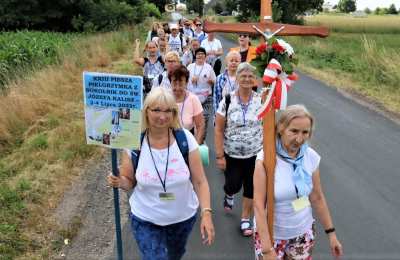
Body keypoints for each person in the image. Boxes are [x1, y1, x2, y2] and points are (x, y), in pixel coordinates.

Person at [107, 87, 215, 260]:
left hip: (182, 219)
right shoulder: (134, 142)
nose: (162, 116)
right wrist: (120, 182)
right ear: (146, 111)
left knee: (174, 255)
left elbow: (200, 181)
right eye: (156, 110)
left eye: (168, 111)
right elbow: (129, 181)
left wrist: (206, 213)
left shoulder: (185, 139)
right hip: (145, 219)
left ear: (174, 114)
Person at [253, 105, 343, 259]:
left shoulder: (310, 157)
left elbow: (316, 197)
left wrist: (331, 234)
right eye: (294, 131)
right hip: (272, 236)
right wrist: (267, 249)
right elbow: (258, 206)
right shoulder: (266, 160)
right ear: (281, 128)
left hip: (303, 233)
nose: (299, 139)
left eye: (305, 132)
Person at [214, 62, 262, 237]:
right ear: (238, 79)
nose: (247, 79)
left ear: (255, 80)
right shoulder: (227, 100)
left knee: (251, 187)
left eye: (250, 76)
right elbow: (219, 129)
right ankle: (229, 194)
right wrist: (220, 156)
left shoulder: (261, 100)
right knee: (233, 184)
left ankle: (245, 219)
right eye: (243, 76)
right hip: (231, 154)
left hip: (255, 154)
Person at [170, 65, 205, 144]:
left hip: (188, 142)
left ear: (186, 83)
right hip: (168, 141)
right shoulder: (165, 99)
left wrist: (197, 146)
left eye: (181, 83)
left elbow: (200, 126)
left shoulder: (193, 99)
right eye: (174, 83)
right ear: (170, 82)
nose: (177, 88)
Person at [187, 47, 216, 136]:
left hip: (206, 98)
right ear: (195, 56)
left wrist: (210, 81)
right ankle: (191, 138)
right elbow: (185, 80)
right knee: (191, 119)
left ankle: (201, 140)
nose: (200, 55)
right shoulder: (190, 67)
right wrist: (191, 80)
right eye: (198, 54)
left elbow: (214, 80)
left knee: (204, 120)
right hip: (192, 97)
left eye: (202, 54)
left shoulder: (209, 67)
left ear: (205, 56)